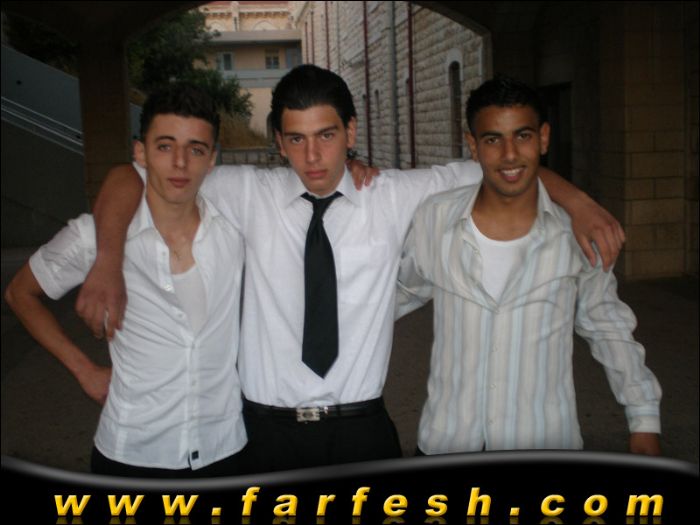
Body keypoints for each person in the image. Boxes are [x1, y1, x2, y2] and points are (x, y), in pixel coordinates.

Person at [75, 65, 626, 472]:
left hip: (361, 428)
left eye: (327, 136)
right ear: (278, 141)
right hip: (266, 432)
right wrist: (107, 261)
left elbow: (502, 164)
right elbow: (131, 175)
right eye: (296, 139)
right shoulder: (245, 192)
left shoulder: (393, 194)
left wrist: (579, 203)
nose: (313, 157)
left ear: (351, 132)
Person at [397, 75, 661, 456]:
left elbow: (607, 325)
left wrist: (644, 419)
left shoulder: (575, 235)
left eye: (522, 136)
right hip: (447, 443)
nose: (509, 154)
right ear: (473, 145)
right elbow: (398, 292)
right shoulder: (435, 220)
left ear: (544, 138)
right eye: (493, 139)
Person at [4, 85, 248, 477]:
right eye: (165, 146)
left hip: (224, 447)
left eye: (196, 149)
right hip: (132, 451)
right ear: (141, 152)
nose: (180, 163)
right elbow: (20, 293)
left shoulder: (234, 229)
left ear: (211, 159)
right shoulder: (95, 236)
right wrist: (84, 369)